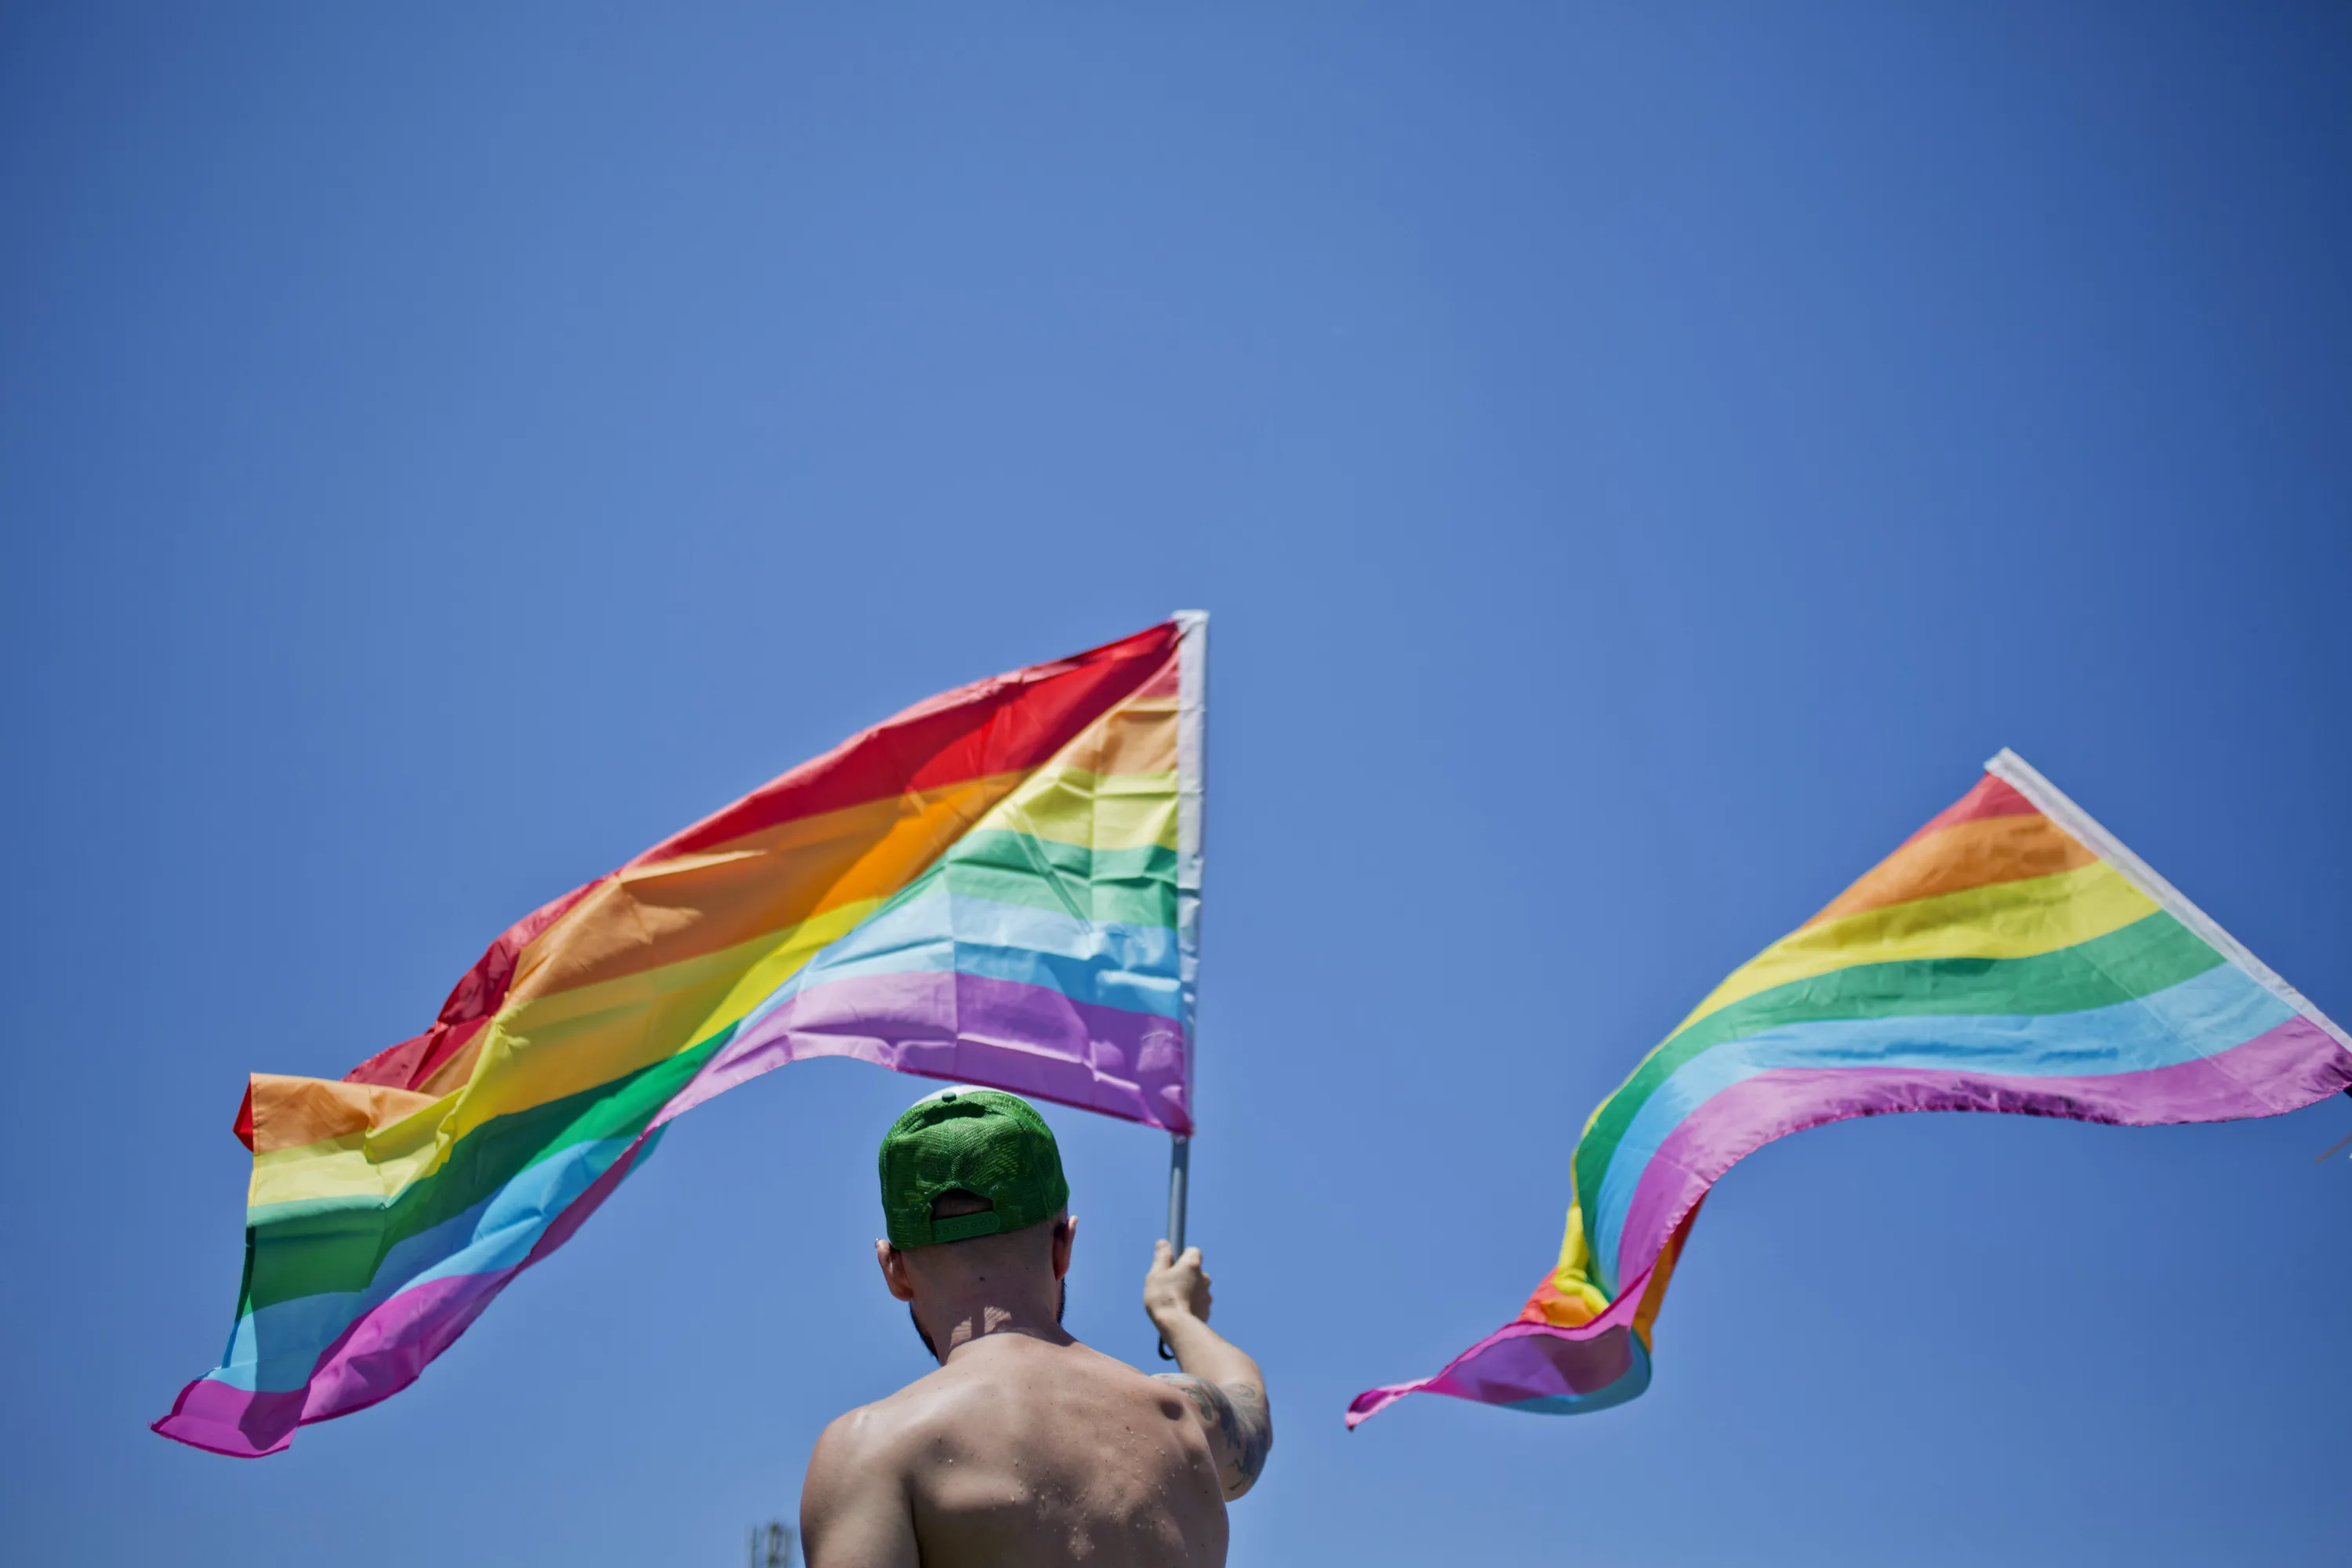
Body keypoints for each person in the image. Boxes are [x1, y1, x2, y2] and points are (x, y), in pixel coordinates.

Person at [800, 1087, 1272, 1567]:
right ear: (1063, 1246)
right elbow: (1249, 1409)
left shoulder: (875, 1449)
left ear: (893, 1270)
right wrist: (1176, 1313)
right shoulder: (1181, 1419)